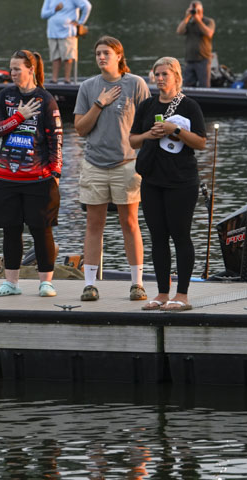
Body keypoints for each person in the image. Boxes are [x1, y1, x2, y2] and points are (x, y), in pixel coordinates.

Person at [73, 36, 150, 302]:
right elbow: (80, 129)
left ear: (119, 56)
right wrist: (99, 103)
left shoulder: (136, 84)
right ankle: (90, 285)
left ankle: (137, 284)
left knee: (130, 223)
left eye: (106, 52)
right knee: (94, 224)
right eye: (98, 53)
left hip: (127, 165)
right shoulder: (88, 87)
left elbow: (148, 125)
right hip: (94, 164)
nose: (101, 57)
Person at [129, 57, 207, 311]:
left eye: (165, 74)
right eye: (157, 74)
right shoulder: (147, 105)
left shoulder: (189, 106)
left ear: (176, 77)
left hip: (182, 181)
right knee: (158, 237)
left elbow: (200, 142)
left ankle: (182, 295)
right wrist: (149, 134)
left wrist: (175, 130)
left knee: (180, 236)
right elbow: (132, 140)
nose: (160, 79)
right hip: (152, 180)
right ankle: (163, 293)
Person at [0, 50, 63, 297]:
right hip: (6, 177)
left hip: (38, 178)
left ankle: (46, 282)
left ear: (31, 69)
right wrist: (19, 117)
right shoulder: (5, 96)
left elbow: (56, 139)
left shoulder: (45, 99)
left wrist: (55, 173)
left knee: (41, 230)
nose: (13, 73)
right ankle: (11, 283)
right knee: (11, 230)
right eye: (11, 68)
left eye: (17, 69)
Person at [40, 0, 92, 84]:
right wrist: (55, 9)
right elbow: (43, 14)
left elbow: (87, 6)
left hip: (67, 31)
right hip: (53, 31)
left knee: (68, 57)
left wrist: (80, 22)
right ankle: (54, 79)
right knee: (55, 57)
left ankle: (67, 79)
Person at [176, 0, 216, 88]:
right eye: (192, 10)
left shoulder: (208, 21)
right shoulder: (189, 22)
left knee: (204, 86)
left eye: (196, 10)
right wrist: (187, 17)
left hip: (203, 60)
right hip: (189, 60)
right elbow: (179, 31)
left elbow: (209, 33)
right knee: (187, 86)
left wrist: (198, 20)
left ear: (201, 11)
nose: (194, 12)